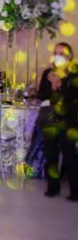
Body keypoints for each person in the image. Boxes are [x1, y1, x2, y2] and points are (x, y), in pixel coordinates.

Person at [38, 43, 75, 198]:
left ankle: (75, 190)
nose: (58, 55)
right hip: (50, 117)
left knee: (70, 154)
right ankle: (53, 187)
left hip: (68, 119)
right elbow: (41, 94)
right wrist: (52, 86)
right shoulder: (48, 72)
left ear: (69, 56)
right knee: (50, 154)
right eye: (56, 52)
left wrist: (60, 86)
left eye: (62, 53)